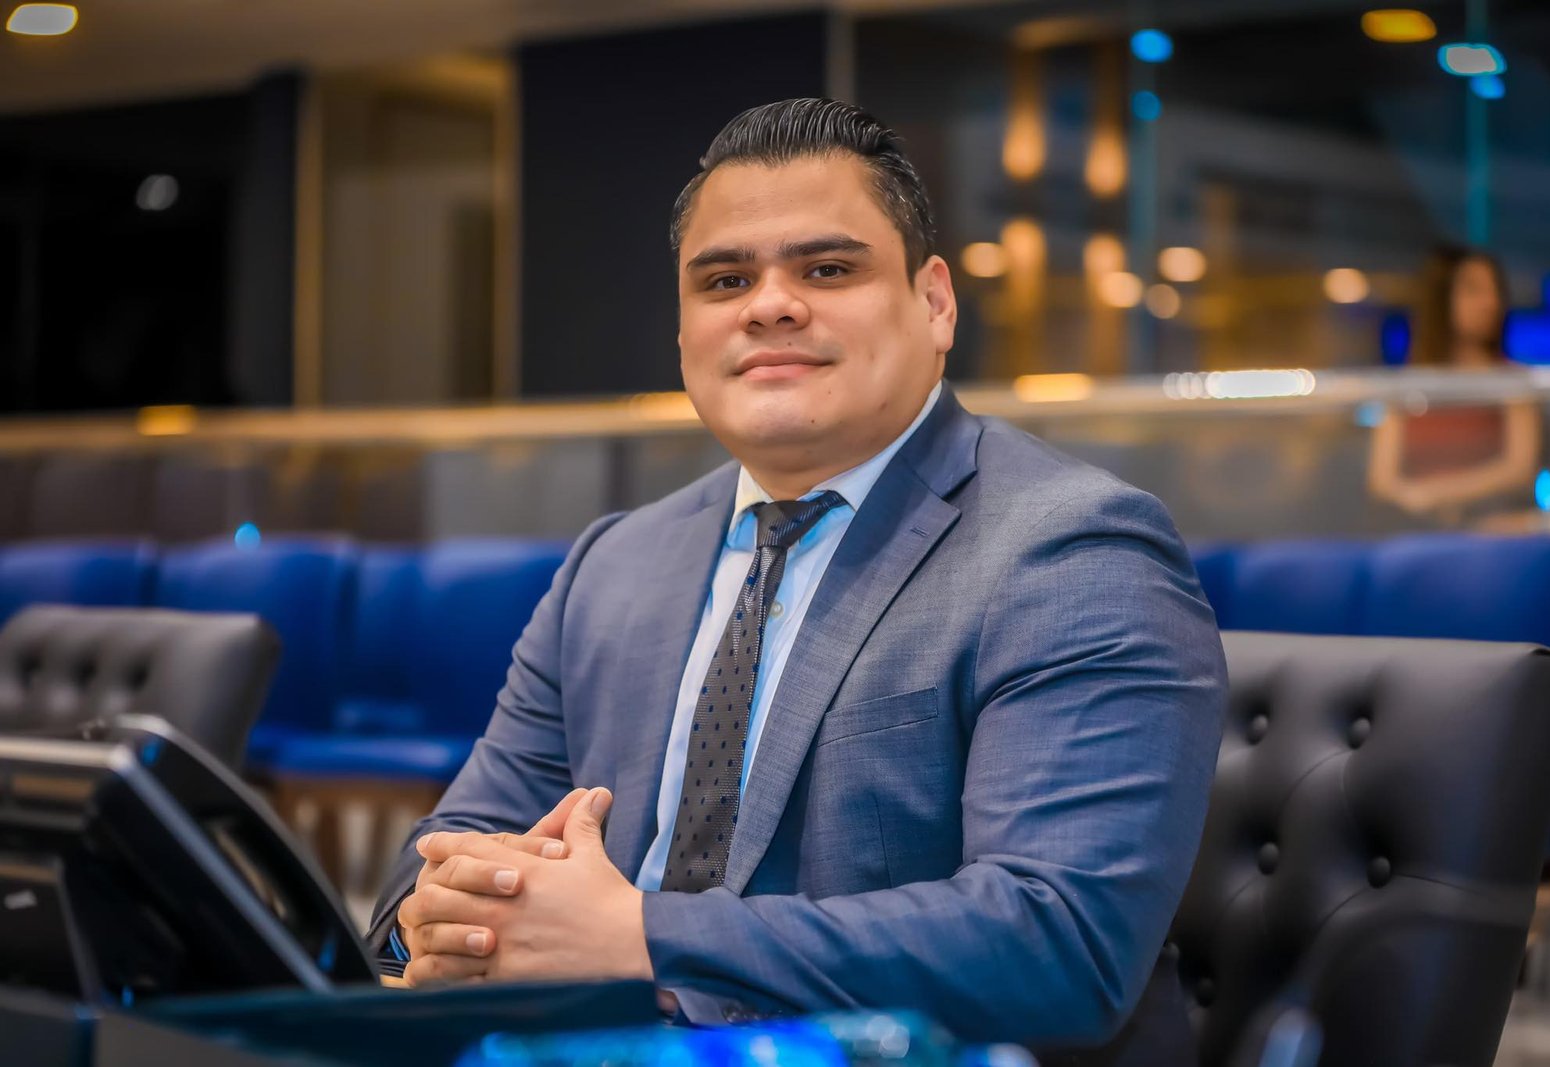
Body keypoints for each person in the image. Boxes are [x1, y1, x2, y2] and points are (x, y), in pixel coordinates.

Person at [368, 99, 1226, 1062]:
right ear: (684, 334)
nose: (768, 305)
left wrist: (640, 937)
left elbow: (1058, 943)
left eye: (827, 269)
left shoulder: (1073, 549)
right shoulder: (613, 563)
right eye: (725, 280)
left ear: (935, 304)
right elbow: (443, 855)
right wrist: (442, 924)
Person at [1368, 245, 1541, 524]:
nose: (1490, 302)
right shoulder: (1407, 384)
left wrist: (1436, 494)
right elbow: (1382, 478)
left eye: (1494, 290)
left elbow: (1520, 467)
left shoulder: (1513, 380)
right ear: (1441, 297)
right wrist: (1416, 501)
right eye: (1473, 290)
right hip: (1417, 528)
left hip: (1495, 525)